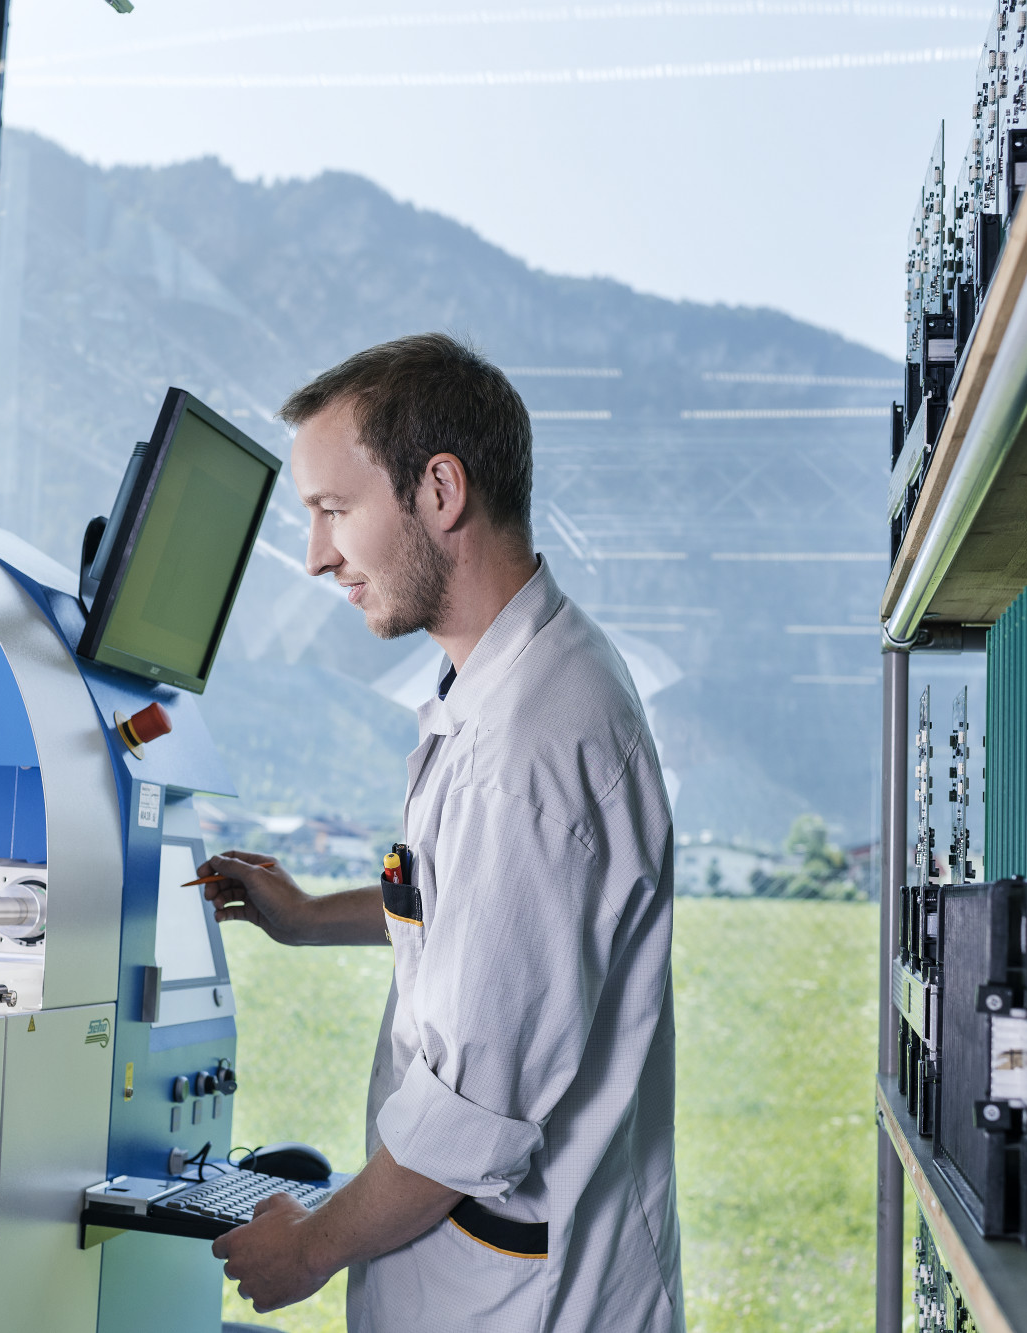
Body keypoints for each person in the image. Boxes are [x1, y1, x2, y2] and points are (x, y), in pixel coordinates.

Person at [202, 333, 682, 1331]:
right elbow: (477, 917)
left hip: (520, 1305)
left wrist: (306, 1248)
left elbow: (466, 1123)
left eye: (334, 510)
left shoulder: (525, 754)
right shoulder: (519, 675)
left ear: (439, 490)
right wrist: (305, 916)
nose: (316, 555)